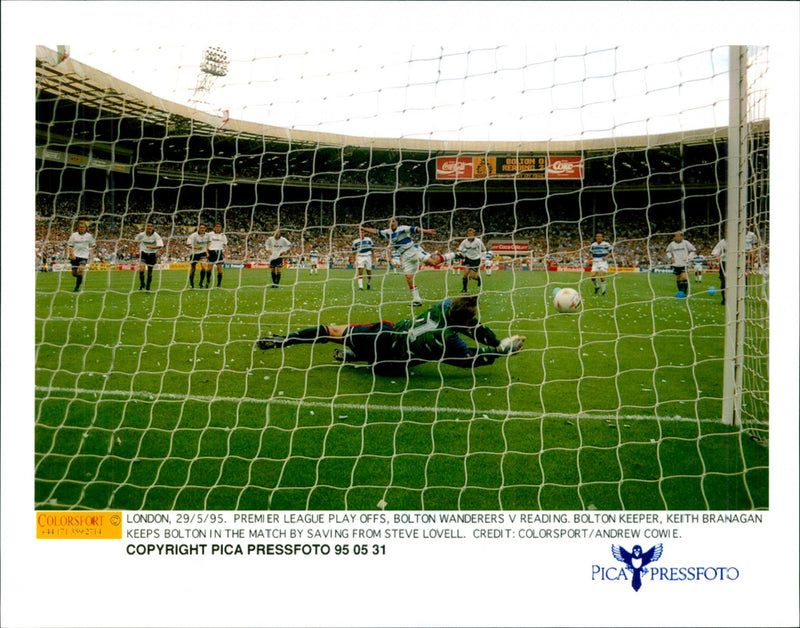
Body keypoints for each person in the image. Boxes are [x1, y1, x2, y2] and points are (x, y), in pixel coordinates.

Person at [256, 295, 525, 375]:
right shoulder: (448, 340)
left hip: (383, 335)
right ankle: (358, 357)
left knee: (331, 331)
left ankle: (285, 340)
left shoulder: (441, 307)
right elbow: (466, 358)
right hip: (393, 365)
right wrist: (497, 351)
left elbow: (469, 324)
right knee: (464, 357)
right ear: (465, 321)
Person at [361, 217, 461, 306]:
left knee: (433, 263)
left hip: (413, 250)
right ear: (388, 223)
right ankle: (417, 299)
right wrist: (363, 228)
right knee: (409, 278)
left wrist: (426, 231)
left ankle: (454, 255)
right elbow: (375, 231)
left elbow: (415, 229)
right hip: (404, 256)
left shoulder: (403, 228)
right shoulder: (387, 232)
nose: (392, 223)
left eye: (394, 221)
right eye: (390, 221)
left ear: (397, 222)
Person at [66, 220, 95, 292]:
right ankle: (80, 278)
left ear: (86, 228)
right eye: (80, 227)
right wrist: (71, 254)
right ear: (78, 228)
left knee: (80, 270)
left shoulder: (89, 236)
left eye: (83, 227)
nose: (82, 228)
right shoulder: (74, 235)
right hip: (75, 256)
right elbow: (70, 246)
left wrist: (91, 255)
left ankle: (77, 287)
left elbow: (93, 246)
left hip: (84, 256)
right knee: (74, 273)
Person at [134, 222, 164, 291]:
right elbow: (135, 240)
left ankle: (148, 286)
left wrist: (151, 247)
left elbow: (160, 246)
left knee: (150, 272)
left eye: (151, 226)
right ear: (145, 227)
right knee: (141, 270)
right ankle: (142, 284)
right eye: (148, 226)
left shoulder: (156, 236)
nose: (149, 227)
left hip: (152, 254)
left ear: (153, 227)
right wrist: (135, 249)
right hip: (144, 253)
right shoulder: (141, 235)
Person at [665, 231, 696, 296]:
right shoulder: (672, 244)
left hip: (684, 263)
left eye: (679, 236)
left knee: (684, 277)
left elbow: (693, 250)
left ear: (682, 237)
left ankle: (685, 292)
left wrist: (689, 258)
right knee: (678, 278)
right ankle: (680, 292)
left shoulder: (686, 243)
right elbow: (667, 251)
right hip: (676, 264)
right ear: (674, 237)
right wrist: (671, 258)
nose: (678, 237)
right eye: (677, 236)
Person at [456, 228, 487, 293]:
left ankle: (478, 279)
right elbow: (459, 250)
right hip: (468, 259)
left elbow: (484, 249)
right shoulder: (464, 241)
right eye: (469, 233)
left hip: (476, 260)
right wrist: (458, 254)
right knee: (465, 274)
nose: (470, 235)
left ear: (474, 234)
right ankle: (464, 289)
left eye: (472, 233)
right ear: (467, 234)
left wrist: (484, 258)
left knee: (473, 276)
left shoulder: (478, 241)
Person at [186, 223, 210, 288]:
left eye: (203, 228)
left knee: (203, 267)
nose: (202, 229)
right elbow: (188, 245)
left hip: (203, 253)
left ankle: (201, 283)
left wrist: (207, 251)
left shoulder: (207, 235)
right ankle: (191, 284)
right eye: (201, 228)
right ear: (198, 228)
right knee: (193, 269)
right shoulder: (193, 236)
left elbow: (209, 242)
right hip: (194, 253)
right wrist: (196, 248)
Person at [207, 222, 229, 287]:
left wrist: (226, 253)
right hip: (211, 252)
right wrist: (207, 252)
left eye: (219, 226)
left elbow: (225, 245)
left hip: (219, 252)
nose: (218, 228)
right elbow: (207, 243)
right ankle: (207, 282)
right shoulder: (210, 234)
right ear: (214, 227)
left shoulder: (223, 235)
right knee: (209, 269)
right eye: (217, 226)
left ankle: (219, 284)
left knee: (219, 270)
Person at [711, 237, 727, 305]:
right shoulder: (723, 241)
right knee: (724, 281)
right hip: (724, 263)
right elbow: (715, 251)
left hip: (736, 263)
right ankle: (724, 299)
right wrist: (716, 256)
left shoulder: (738, 241)